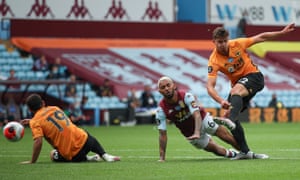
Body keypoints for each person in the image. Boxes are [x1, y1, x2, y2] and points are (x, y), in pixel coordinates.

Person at [206, 23, 295, 159]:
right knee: (231, 114)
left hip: (255, 77)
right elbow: (210, 87)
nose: (223, 44)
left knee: (234, 96)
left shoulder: (237, 44)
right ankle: (245, 152)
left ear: (228, 39)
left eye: (225, 41)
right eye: (219, 42)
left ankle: (230, 119)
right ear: (214, 42)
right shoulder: (214, 60)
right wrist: (221, 100)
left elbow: (261, 37)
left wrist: (281, 33)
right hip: (240, 86)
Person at [156, 76, 240, 162]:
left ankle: (245, 152)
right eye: (163, 87)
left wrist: (197, 132)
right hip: (189, 132)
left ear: (173, 85)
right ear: (160, 91)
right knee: (216, 150)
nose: (166, 88)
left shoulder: (186, 96)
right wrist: (162, 158)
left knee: (225, 136)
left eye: (168, 85)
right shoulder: (161, 110)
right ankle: (232, 153)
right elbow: (162, 134)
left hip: (203, 120)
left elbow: (197, 115)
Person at [20, 93, 120, 164]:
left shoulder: (35, 122)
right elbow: (50, 120)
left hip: (75, 155)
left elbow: (38, 141)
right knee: (82, 132)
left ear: (29, 109)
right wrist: (32, 121)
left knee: (52, 154)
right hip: (87, 142)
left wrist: (32, 161)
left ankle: (86, 159)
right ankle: (105, 155)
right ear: (43, 103)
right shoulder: (55, 108)